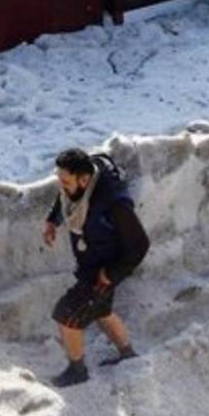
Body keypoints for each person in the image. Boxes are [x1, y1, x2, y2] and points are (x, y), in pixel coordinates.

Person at [43, 148, 150, 388]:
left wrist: (110, 274)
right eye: (59, 179)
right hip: (90, 262)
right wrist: (52, 220)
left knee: (66, 314)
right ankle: (127, 354)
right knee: (101, 312)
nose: (62, 185)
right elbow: (64, 196)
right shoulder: (78, 183)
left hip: (104, 270)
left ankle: (77, 371)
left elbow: (140, 245)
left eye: (66, 181)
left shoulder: (114, 202)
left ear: (84, 179)